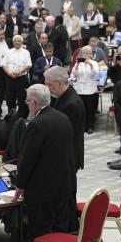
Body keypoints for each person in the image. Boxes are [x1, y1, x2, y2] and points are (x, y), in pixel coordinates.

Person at [13, 84, 76, 242]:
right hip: (63, 184)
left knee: (42, 231)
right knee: (60, 228)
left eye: (27, 102)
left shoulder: (37, 124)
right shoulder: (62, 118)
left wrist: (20, 185)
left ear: (33, 103)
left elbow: (27, 159)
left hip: (41, 189)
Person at [44, 66, 85, 231]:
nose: (47, 88)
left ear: (59, 83)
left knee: (65, 195)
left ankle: (68, 228)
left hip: (68, 156)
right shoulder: (64, 96)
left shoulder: (71, 104)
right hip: (68, 154)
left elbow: (62, 135)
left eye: (48, 85)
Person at [71, 46, 99, 134]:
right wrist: (77, 65)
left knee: (90, 109)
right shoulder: (79, 63)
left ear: (90, 54)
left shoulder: (94, 63)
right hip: (80, 89)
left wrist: (90, 64)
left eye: (87, 53)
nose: (85, 55)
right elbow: (73, 73)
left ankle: (90, 126)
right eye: (84, 53)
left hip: (90, 89)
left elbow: (95, 73)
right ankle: (83, 126)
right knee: (81, 109)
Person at [4, 35, 32, 118]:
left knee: (22, 99)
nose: (16, 42)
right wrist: (9, 73)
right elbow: (4, 65)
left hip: (21, 78)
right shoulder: (8, 52)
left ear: (22, 42)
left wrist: (18, 72)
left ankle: (22, 118)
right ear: (13, 42)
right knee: (10, 99)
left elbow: (28, 65)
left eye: (18, 40)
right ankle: (11, 117)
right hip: (10, 78)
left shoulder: (26, 52)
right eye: (15, 40)